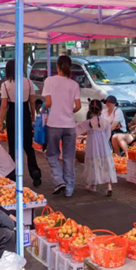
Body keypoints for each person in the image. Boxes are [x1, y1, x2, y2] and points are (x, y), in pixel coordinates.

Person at [43, 55, 82, 197]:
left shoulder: (49, 81)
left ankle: (59, 180)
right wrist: (68, 111)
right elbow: (77, 106)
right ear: (69, 67)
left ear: (57, 67)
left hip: (54, 123)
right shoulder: (74, 84)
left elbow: (48, 103)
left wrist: (43, 109)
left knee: (52, 154)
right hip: (69, 125)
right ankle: (69, 188)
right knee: (69, 156)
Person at [0, 60, 42, 186]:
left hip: (12, 114)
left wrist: (1, 124)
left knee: (13, 147)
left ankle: (14, 175)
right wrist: (33, 117)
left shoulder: (6, 84)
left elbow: (3, 106)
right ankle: (35, 172)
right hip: (25, 114)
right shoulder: (29, 82)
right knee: (28, 147)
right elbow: (32, 102)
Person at [76, 99, 117, 196]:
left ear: (90, 110)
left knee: (93, 162)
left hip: (92, 147)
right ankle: (109, 186)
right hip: (104, 146)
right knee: (106, 163)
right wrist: (104, 142)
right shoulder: (105, 122)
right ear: (101, 110)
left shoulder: (88, 123)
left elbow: (76, 129)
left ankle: (92, 184)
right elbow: (108, 135)